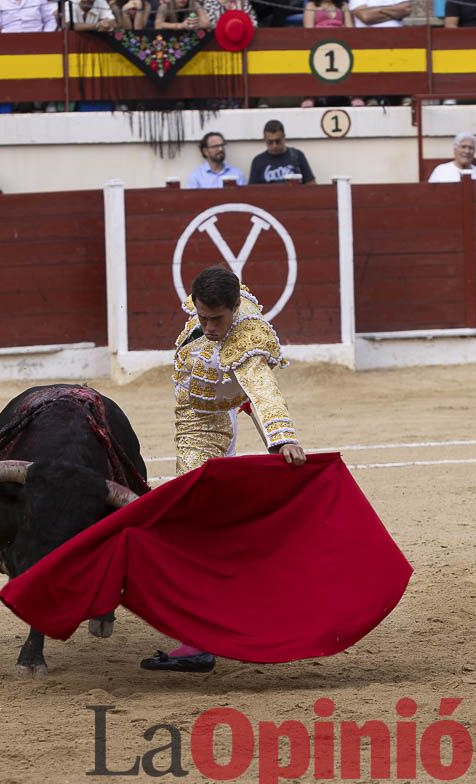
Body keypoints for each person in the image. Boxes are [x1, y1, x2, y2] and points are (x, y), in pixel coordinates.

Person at [139, 265, 306, 673]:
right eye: (203, 317)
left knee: (191, 527)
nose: (209, 327)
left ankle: (199, 642)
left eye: (217, 319)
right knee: (202, 525)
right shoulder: (212, 307)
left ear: (235, 308)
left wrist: (282, 438)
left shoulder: (247, 336)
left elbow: (262, 389)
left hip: (205, 426)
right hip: (204, 413)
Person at [248, 120, 316, 186]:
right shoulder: (258, 161)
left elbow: (311, 185)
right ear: (265, 139)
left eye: (278, 141)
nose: (274, 146)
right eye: (270, 142)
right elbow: (251, 191)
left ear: (284, 137)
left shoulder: (297, 156)